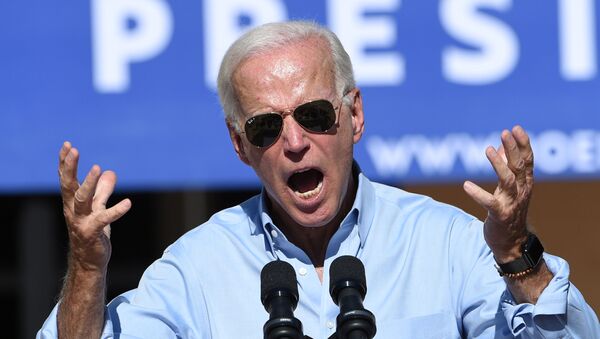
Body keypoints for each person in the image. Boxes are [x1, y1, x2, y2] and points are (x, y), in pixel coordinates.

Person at [38, 21, 598, 338]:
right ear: (239, 144)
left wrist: (517, 256)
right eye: (265, 127)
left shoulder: (449, 243)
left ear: (354, 115)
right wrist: (88, 269)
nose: (295, 141)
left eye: (314, 115)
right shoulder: (196, 269)